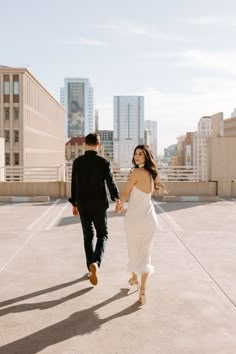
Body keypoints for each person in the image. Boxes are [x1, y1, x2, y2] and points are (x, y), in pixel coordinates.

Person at [116, 144, 165, 305]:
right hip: (150, 218)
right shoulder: (152, 174)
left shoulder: (136, 172)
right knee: (145, 253)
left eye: (140, 154)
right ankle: (141, 287)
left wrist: (120, 205)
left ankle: (135, 279)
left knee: (134, 249)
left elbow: (125, 192)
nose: (137, 157)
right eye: (136, 153)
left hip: (134, 218)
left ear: (146, 157)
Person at [69, 133, 120, 286]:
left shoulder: (77, 162)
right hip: (99, 204)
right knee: (102, 234)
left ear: (85, 144)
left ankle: (91, 267)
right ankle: (96, 263)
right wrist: (116, 198)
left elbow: (74, 184)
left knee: (88, 235)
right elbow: (110, 182)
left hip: (83, 204)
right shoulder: (103, 162)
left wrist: (74, 203)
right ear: (98, 145)